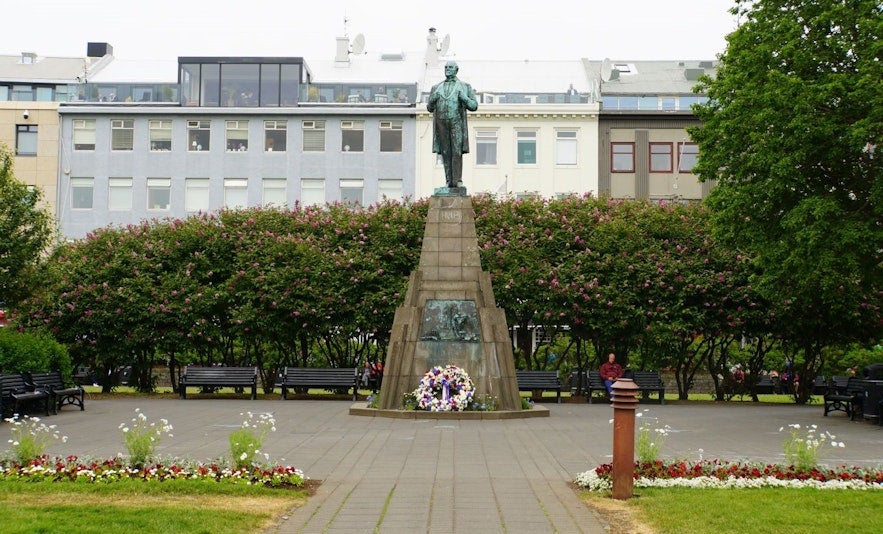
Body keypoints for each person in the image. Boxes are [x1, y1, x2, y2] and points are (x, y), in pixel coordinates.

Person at [426, 60, 478, 188]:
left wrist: (464, 98)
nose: (447, 69)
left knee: (456, 151)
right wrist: (432, 100)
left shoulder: (465, 86)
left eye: (450, 67)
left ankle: (458, 180)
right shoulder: (436, 87)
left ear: (456, 70)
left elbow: (474, 106)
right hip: (441, 123)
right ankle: (448, 181)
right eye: (446, 67)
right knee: (445, 152)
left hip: (456, 122)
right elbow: (429, 108)